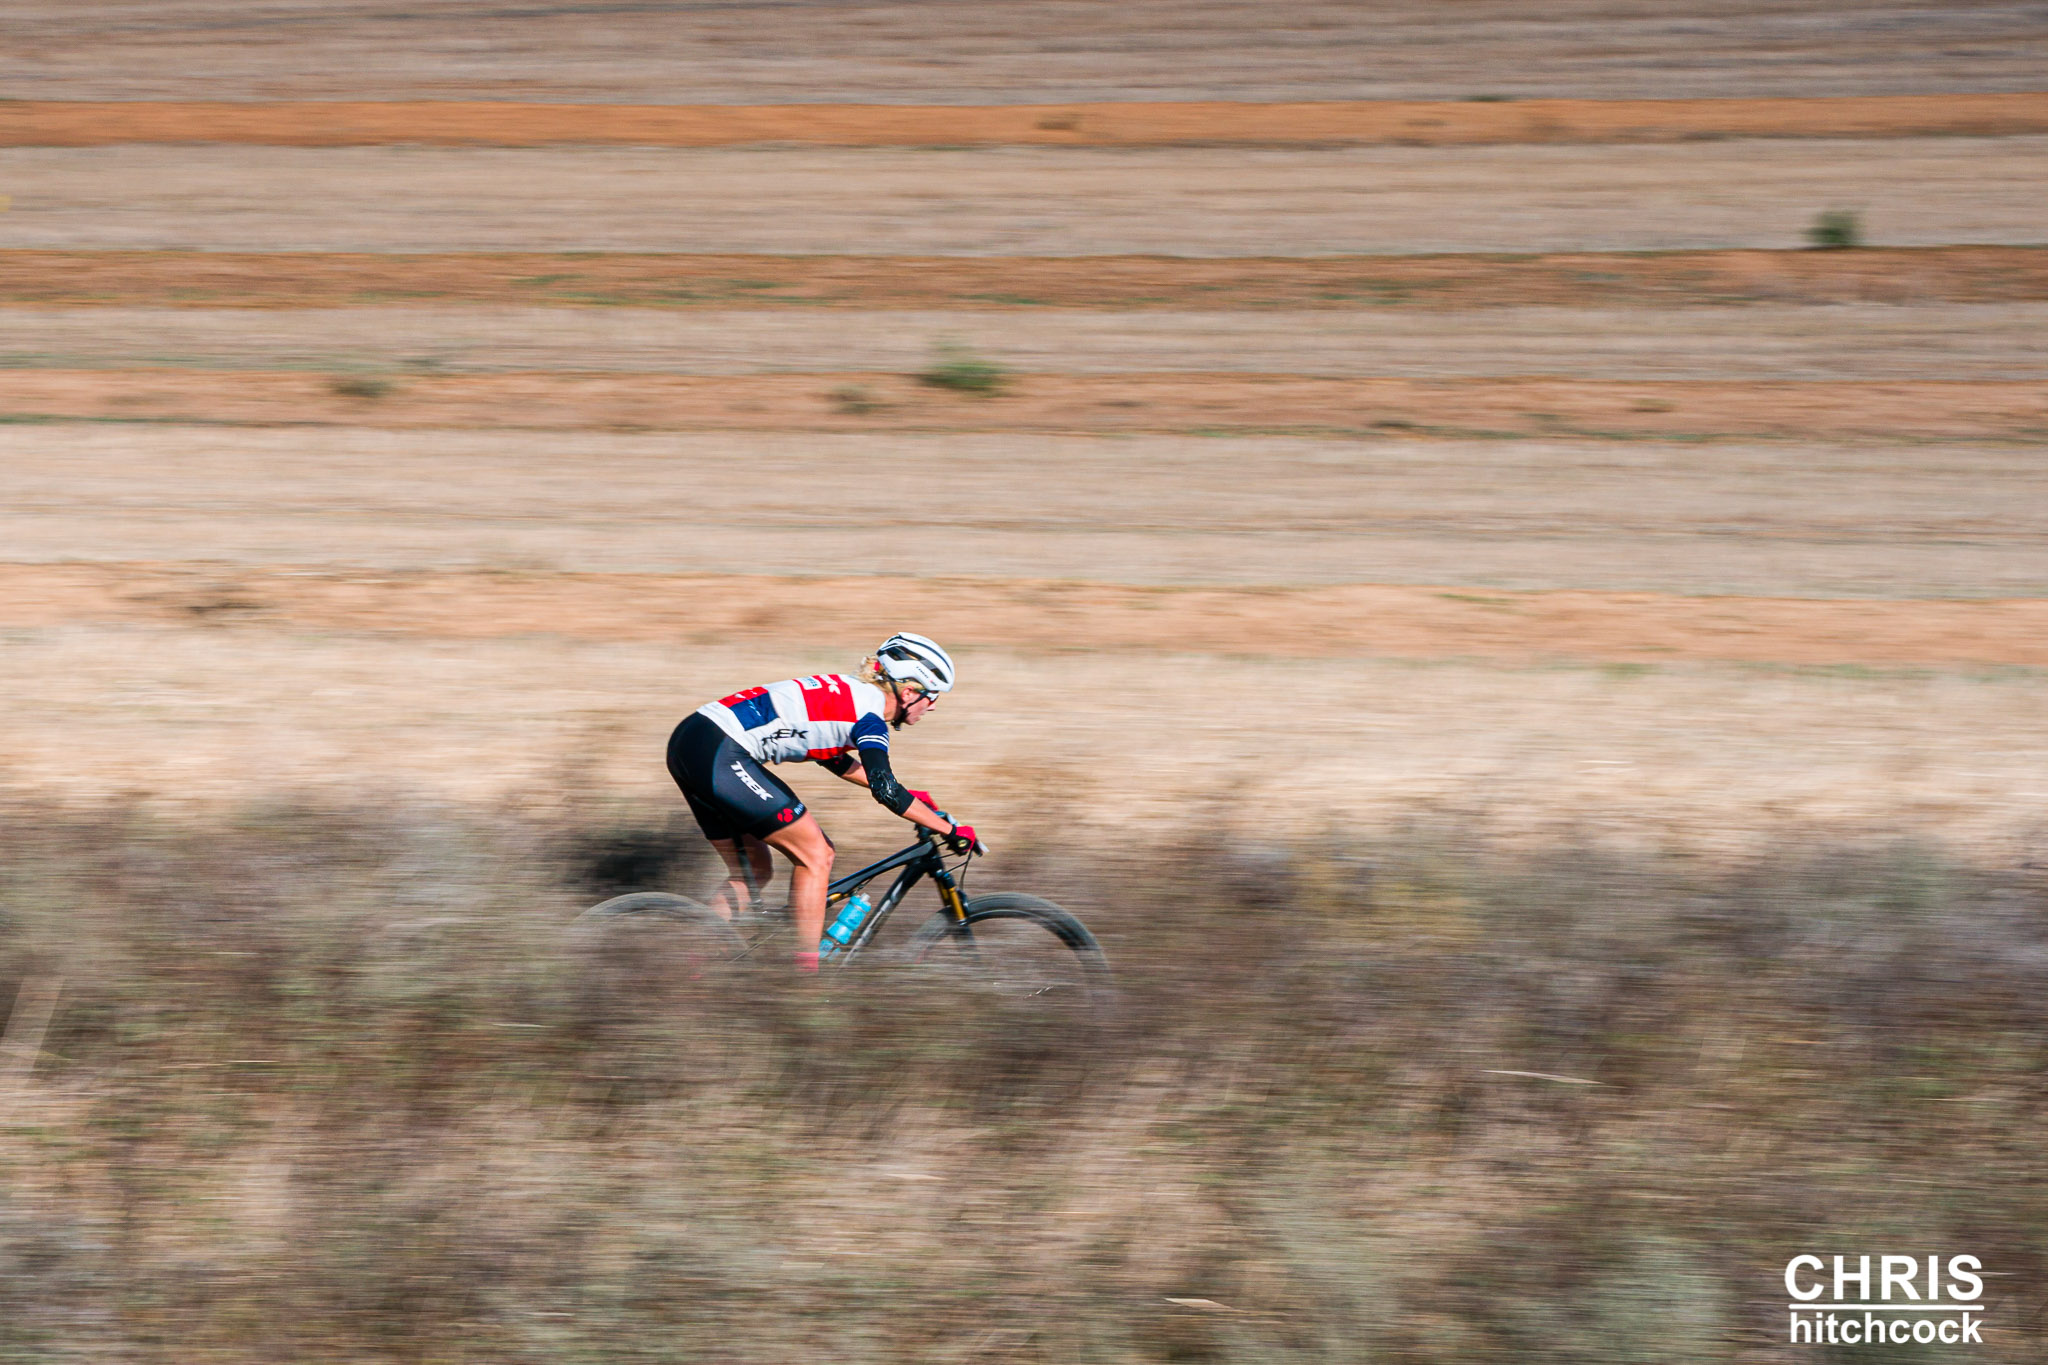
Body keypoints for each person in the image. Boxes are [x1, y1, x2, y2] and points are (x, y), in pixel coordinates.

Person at [665, 632, 980, 972]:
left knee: (754, 869)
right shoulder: (870, 719)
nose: (933, 706)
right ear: (908, 693)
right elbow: (885, 791)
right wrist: (950, 830)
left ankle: (691, 968)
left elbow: (833, 757)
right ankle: (804, 978)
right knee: (817, 854)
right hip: (722, 753)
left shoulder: (852, 693)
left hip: (694, 740)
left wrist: (912, 796)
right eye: (932, 697)